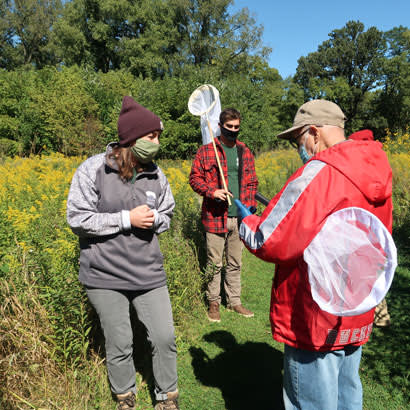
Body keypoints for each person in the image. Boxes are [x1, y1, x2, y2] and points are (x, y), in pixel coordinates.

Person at [236, 100, 394, 409]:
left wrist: (246, 222)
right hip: (355, 306)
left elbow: (270, 239)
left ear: (314, 133)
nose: (301, 148)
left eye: (299, 141)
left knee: (311, 401)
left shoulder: (320, 172)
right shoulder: (378, 167)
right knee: (348, 391)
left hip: (314, 312)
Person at [67, 96, 179, 410]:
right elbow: (77, 218)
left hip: (148, 272)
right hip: (104, 274)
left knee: (164, 338)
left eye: (158, 137)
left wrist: (156, 219)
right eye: (151, 136)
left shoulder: (157, 175)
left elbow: (167, 216)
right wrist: (125, 219)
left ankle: (167, 397)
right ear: (131, 138)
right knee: (120, 342)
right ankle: (125, 396)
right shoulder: (93, 169)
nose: (156, 143)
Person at [189, 108, 258, 322]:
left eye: (237, 127)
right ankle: (214, 303)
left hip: (240, 217)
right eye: (229, 127)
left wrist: (250, 208)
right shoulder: (206, 151)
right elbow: (194, 179)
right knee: (214, 263)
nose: (233, 131)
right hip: (215, 216)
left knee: (235, 262)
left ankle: (234, 301)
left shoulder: (244, 151)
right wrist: (212, 191)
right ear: (220, 127)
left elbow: (252, 181)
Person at [349, 129, 392, 327]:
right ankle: (382, 317)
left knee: (357, 277)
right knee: (375, 273)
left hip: (360, 230)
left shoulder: (354, 166)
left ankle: (358, 317)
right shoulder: (382, 164)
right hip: (381, 230)